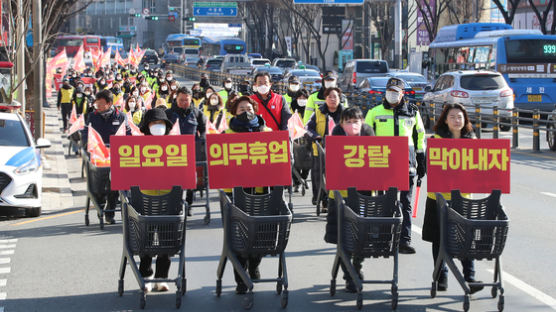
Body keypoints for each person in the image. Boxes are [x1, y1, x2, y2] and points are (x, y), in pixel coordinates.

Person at [422, 103, 483, 294]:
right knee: (439, 240)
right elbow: (429, 168)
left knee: (466, 238)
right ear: (445, 120)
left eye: (460, 117)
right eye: (452, 117)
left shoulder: (472, 140)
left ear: (465, 120)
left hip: (463, 199)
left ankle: (470, 278)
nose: (457, 120)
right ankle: (441, 277)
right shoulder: (436, 140)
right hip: (438, 198)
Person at [364, 77, 426, 254]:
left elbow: (420, 136)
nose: (392, 95)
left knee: (405, 203)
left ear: (402, 94)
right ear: (385, 92)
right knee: (383, 201)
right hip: (382, 163)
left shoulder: (413, 112)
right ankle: (382, 238)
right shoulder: (374, 112)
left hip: (407, 164)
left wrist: (421, 159)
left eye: (396, 92)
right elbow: (366, 136)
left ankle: (404, 240)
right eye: (389, 91)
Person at [324, 106, 375, 292]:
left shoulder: (371, 140)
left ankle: (357, 267)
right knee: (344, 238)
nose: (352, 125)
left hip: (363, 197)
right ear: (341, 124)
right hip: (340, 197)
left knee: (360, 237)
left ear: (362, 122)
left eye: (356, 121)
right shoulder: (334, 140)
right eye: (348, 121)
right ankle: (349, 275)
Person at [224, 95, 271, 294]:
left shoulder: (267, 132)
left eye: (248, 108)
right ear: (234, 112)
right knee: (238, 236)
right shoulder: (226, 133)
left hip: (261, 192)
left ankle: (254, 264)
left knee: (260, 234)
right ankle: (241, 278)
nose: (245, 111)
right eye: (241, 109)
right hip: (236, 193)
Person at [138, 107, 175, 293]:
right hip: (144, 202)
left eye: (161, 123)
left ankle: (161, 277)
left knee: (166, 243)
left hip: (168, 201)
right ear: (147, 126)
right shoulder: (136, 148)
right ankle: (146, 275)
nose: (158, 127)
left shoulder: (175, 147)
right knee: (145, 242)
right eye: (154, 123)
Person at [81, 90, 130, 224]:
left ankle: (110, 213)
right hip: (98, 158)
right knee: (98, 187)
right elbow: (85, 133)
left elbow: (129, 134)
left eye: (101, 104)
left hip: (116, 158)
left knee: (114, 186)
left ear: (109, 104)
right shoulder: (92, 116)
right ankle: (100, 206)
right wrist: (86, 145)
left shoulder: (121, 117)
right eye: (97, 103)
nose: (98, 106)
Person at [165, 87, 207, 213]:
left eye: (186, 100)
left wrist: (202, 140)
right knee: (174, 181)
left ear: (191, 99)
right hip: (172, 153)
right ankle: (175, 205)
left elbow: (204, 128)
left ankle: (188, 204)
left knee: (190, 181)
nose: (184, 102)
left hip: (191, 152)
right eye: (181, 100)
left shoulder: (197, 113)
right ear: (176, 99)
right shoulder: (168, 113)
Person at [305, 87, 346, 211]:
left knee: (337, 176)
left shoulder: (345, 113)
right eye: (330, 97)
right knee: (318, 175)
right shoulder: (318, 112)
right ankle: (321, 199)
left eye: (335, 97)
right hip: (321, 150)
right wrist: (316, 136)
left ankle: (335, 199)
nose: (333, 99)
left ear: (340, 99)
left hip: (341, 152)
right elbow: (308, 128)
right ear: (325, 98)